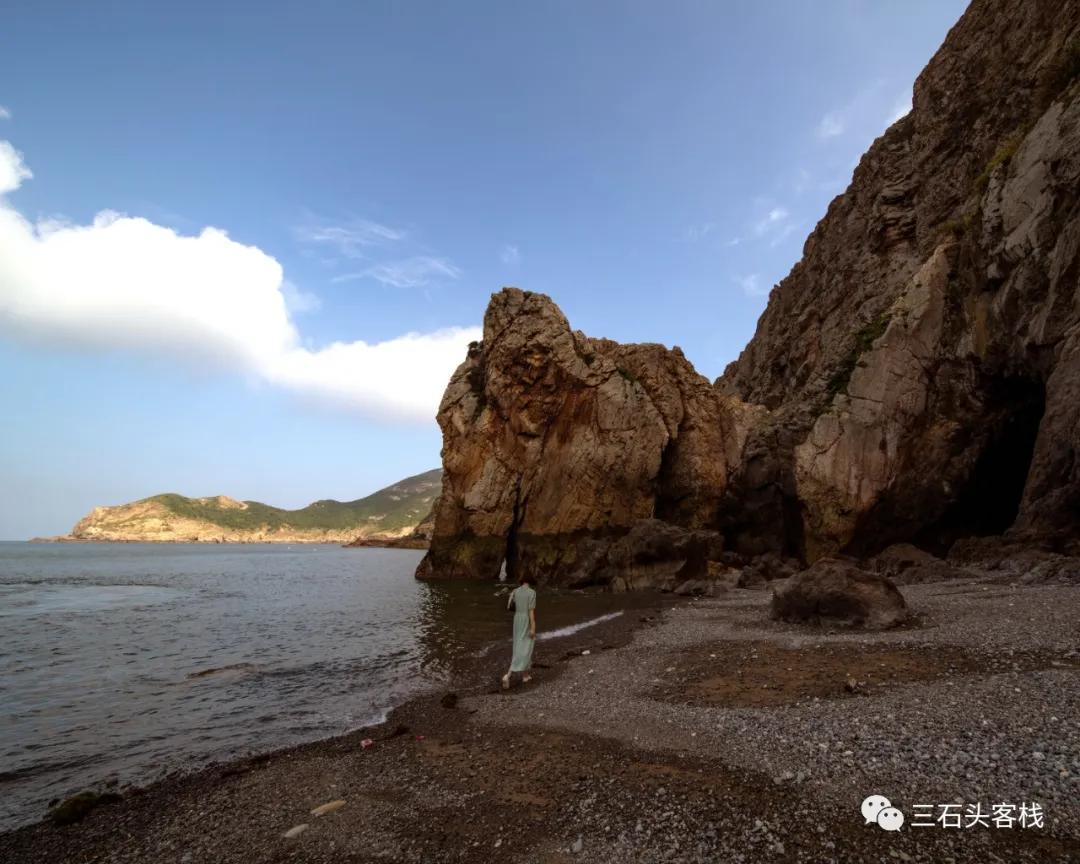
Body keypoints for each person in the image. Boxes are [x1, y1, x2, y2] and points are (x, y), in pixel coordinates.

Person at [502, 574, 537, 689]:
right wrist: (533, 627)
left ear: (522, 581)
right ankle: (508, 674)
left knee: (518, 645)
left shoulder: (515, 591)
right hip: (526, 619)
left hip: (517, 619)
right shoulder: (532, 593)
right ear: (530, 581)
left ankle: (525, 675)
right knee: (526, 646)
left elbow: (510, 606)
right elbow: (531, 613)